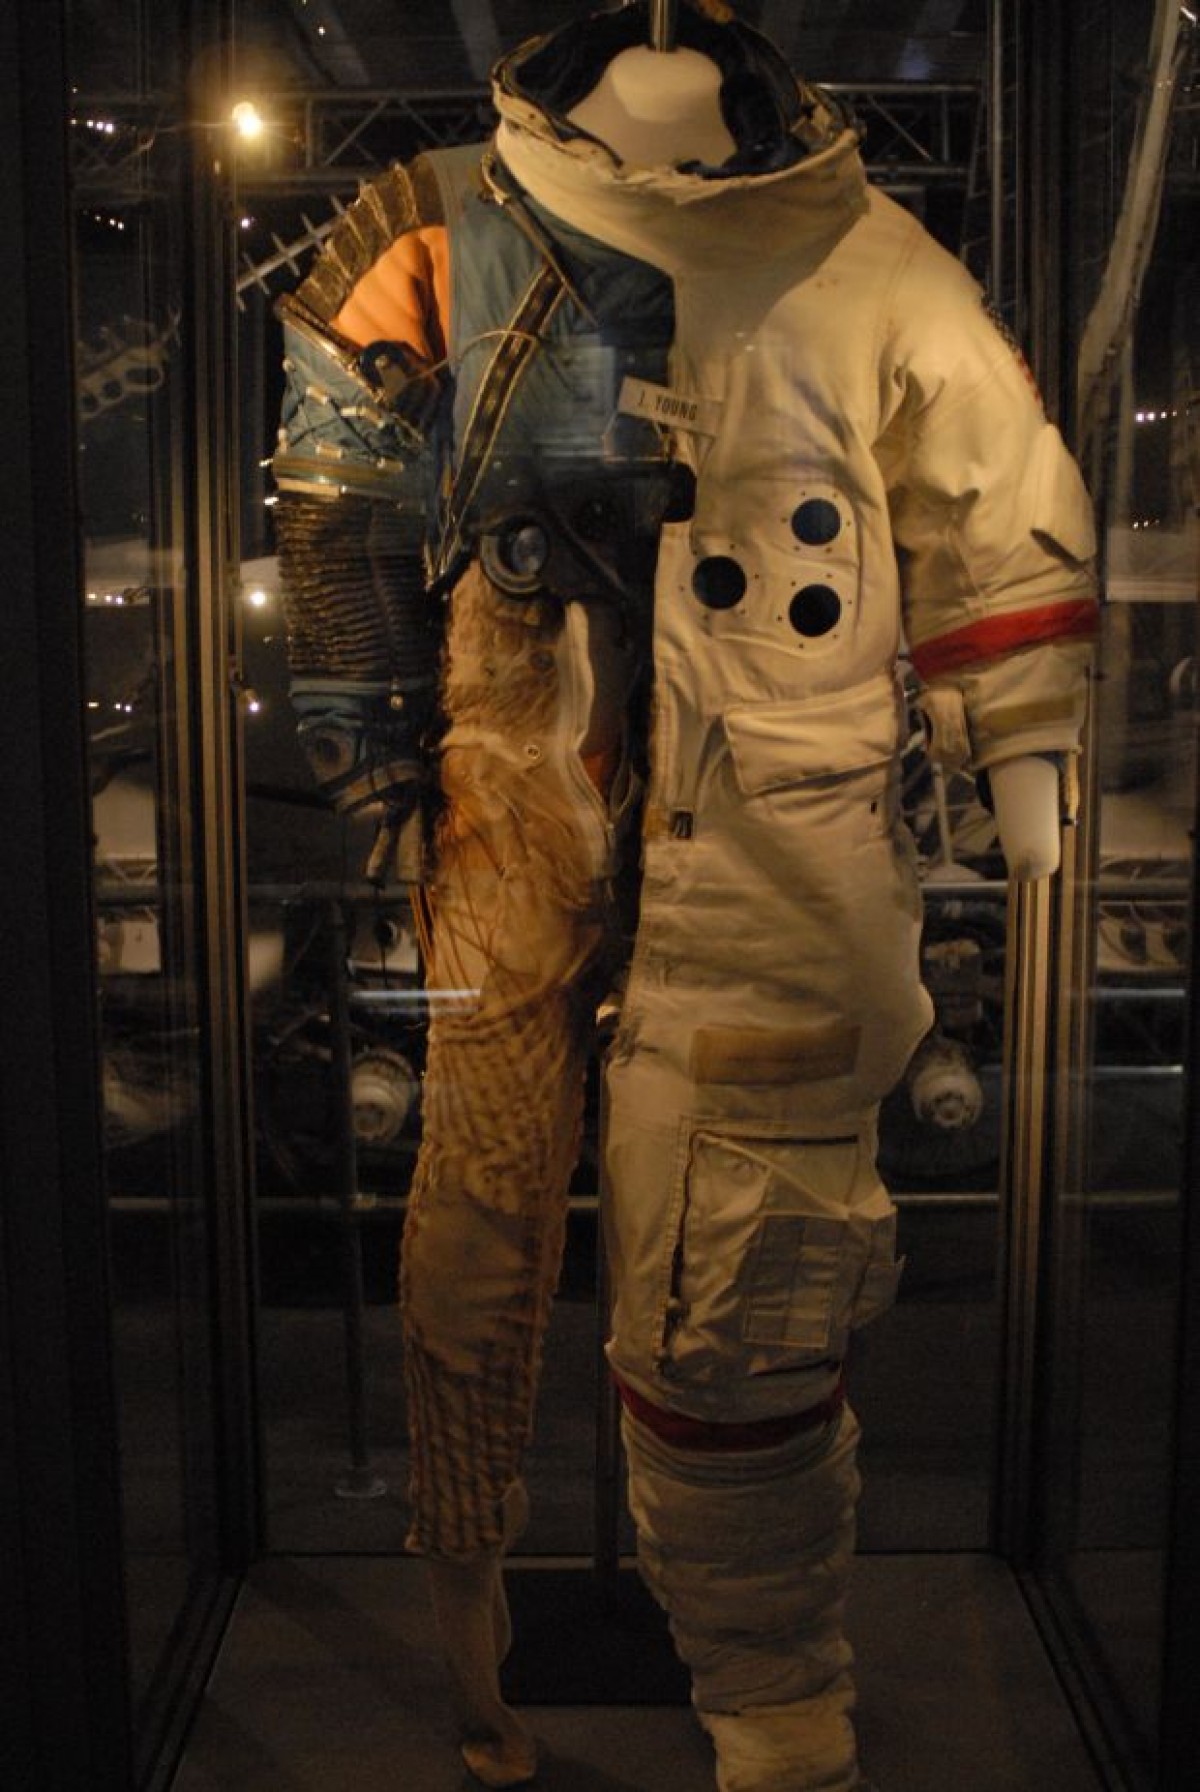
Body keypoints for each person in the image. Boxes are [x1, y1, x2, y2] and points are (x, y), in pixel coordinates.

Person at [271, 3, 1097, 1786]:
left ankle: (774, 1695)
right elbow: (336, 497)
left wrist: (1025, 737)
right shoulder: (440, 215)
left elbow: (992, 493)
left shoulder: (859, 257)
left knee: (754, 1273)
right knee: (477, 1235)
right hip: (515, 776)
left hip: (774, 821)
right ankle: (476, 1643)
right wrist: (376, 755)